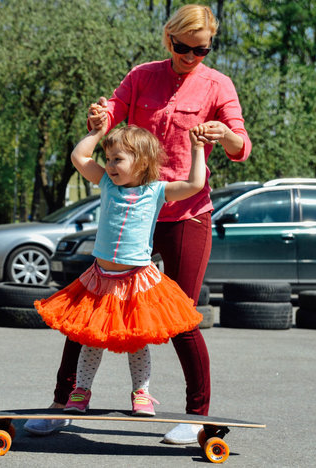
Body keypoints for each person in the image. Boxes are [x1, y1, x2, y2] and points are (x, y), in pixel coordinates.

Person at [25, 4, 251, 443]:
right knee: (89, 311)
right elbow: (112, 111)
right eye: (183, 48)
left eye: (201, 50)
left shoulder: (217, 84)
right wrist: (100, 119)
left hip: (184, 213)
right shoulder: (143, 75)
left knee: (181, 317)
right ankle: (62, 404)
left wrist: (223, 135)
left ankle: (195, 415)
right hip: (132, 210)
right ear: (169, 40)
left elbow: (241, 144)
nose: (191, 57)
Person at [34, 123, 206, 417]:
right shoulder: (106, 184)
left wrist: (198, 148)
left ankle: (142, 394)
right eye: (109, 158)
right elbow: (79, 157)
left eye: (118, 159)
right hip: (101, 280)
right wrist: (97, 133)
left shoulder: (156, 191)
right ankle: (80, 392)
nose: (110, 165)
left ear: (141, 161)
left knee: (136, 341)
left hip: (135, 281)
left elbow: (195, 185)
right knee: (91, 339)